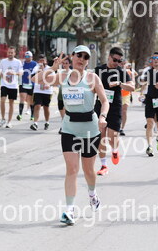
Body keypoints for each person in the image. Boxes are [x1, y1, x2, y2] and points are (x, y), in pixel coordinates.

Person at [34, 45, 108, 225]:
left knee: (88, 170)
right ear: (72, 57)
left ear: (88, 61)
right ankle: (70, 210)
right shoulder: (63, 76)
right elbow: (36, 79)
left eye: (85, 57)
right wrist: (52, 67)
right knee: (72, 169)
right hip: (69, 128)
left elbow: (105, 101)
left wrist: (103, 116)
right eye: (78, 55)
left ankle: (92, 194)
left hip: (90, 129)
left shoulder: (92, 78)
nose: (81, 59)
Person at [94, 47, 134, 175]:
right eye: (115, 60)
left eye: (119, 61)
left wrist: (120, 84)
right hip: (100, 106)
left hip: (115, 107)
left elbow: (132, 87)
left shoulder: (121, 72)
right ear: (109, 57)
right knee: (101, 137)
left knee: (112, 137)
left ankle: (115, 150)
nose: (117, 63)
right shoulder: (99, 70)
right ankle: (103, 165)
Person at [0, 46, 22, 128]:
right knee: (2, 101)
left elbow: (21, 73)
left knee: (11, 103)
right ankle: (3, 119)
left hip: (13, 86)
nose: (10, 54)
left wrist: (14, 73)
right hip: (4, 84)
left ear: (14, 53)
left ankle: (9, 122)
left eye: (12, 52)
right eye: (9, 52)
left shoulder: (18, 62)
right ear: (7, 53)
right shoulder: (3, 61)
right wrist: (4, 77)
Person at [30, 54, 54, 131]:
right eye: (40, 61)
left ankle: (47, 122)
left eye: (43, 60)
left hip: (47, 91)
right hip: (38, 90)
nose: (42, 62)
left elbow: (54, 79)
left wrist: (49, 85)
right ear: (38, 62)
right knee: (37, 106)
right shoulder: (36, 68)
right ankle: (35, 123)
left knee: (46, 107)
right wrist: (39, 71)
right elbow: (32, 77)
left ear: (46, 61)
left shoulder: (49, 69)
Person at [120, 61, 138, 136]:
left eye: (125, 64)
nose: (123, 65)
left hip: (126, 94)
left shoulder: (130, 72)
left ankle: (122, 128)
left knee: (124, 111)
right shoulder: (116, 71)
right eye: (122, 63)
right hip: (116, 94)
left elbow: (133, 83)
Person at [18, 51, 37, 121]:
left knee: (30, 100)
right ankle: (20, 114)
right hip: (23, 83)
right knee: (22, 98)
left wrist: (31, 76)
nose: (26, 58)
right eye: (25, 56)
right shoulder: (22, 63)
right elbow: (20, 70)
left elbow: (36, 72)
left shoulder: (35, 64)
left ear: (31, 57)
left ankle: (32, 115)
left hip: (31, 84)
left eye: (28, 56)